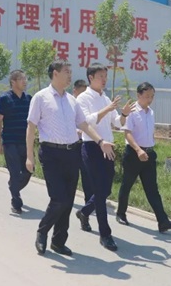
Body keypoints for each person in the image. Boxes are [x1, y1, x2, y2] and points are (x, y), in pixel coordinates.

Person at [26, 60, 115, 256]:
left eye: (70, 71)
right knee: (58, 198)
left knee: (68, 201)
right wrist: (29, 157)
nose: (70, 75)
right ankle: (42, 231)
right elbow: (31, 128)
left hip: (72, 153)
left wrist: (101, 141)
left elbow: (84, 125)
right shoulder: (41, 97)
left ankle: (58, 242)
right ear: (55, 73)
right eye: (66, 71)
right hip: (51, 154)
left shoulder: (72, 101)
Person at [75, 63, 135, 251]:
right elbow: (86, 122)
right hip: (92, 147)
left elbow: (117, 123)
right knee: (99, 191)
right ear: (91, 77)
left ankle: (84, 212)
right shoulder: (83, 98)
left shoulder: (106, 98)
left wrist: (123, 114)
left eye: (105, 76)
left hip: (108, 147)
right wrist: (108, 109)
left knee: (106, 190)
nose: (104, 80)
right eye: (101, 76)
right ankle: (105, 234)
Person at [116, 82, 171, 233]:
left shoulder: (150, 112)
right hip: (134, 154)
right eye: (147, 96)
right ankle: (120, 213)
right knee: (127, 185)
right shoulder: (132, 111)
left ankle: (163, 221)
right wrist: (138, 150)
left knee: (152, 189)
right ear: (138, 95)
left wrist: (149, 149)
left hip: (149, 155)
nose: (150, 99)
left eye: (152, 96)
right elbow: (127, 133)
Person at [0, 70, 32, 214]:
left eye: (25, 78)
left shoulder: (29, 99)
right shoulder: (5, 98)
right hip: (10, 141)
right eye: (21, 79)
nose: (25, 81)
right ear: (13, 82)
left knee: (28, 170)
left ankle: (13, 186)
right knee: (15, 172)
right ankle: (16, 201)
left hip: (25, 141)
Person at [72, 79, 93, 204]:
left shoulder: (86, 104)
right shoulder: (70, 104)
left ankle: (88, 201)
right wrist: (76, 131)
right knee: (72, 174)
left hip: (84, 143)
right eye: (81, 92)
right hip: (72, 144)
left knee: (86, 173)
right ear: (75, 91)